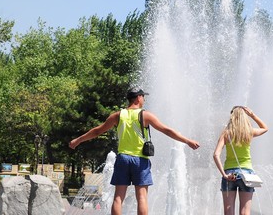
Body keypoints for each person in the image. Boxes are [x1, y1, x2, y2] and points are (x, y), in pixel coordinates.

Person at [69, 87, 200, 215]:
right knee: (142, 197)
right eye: (143, 97)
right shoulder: (145, 115)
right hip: (140, 160)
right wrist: (187, 141)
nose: (144, 99)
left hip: (123, 159)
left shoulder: (118, 115)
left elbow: (97, 130)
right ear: (138, 98)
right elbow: (167, 130)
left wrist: (78, 140)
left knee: (118, 198)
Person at [213, 106, 268, 215]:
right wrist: (252, 115)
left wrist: (224, 174)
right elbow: (265, 128)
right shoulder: (249, 132)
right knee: (245, 211)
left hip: (230, 173)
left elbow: (216, 155)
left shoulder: (226, 133)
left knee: (228, 212)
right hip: (247, 174)